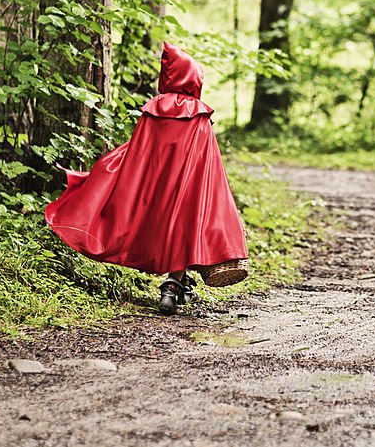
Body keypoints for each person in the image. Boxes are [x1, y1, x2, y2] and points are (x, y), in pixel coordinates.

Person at [45, 42, 248, 315]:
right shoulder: (199, 115)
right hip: (186, 186)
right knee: (183, 222)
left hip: (152, 184)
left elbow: (141, 152)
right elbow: (207, 165)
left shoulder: (153, 110)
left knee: (160, 220)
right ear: (193, 78)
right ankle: (174, 283)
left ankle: (178, 282)